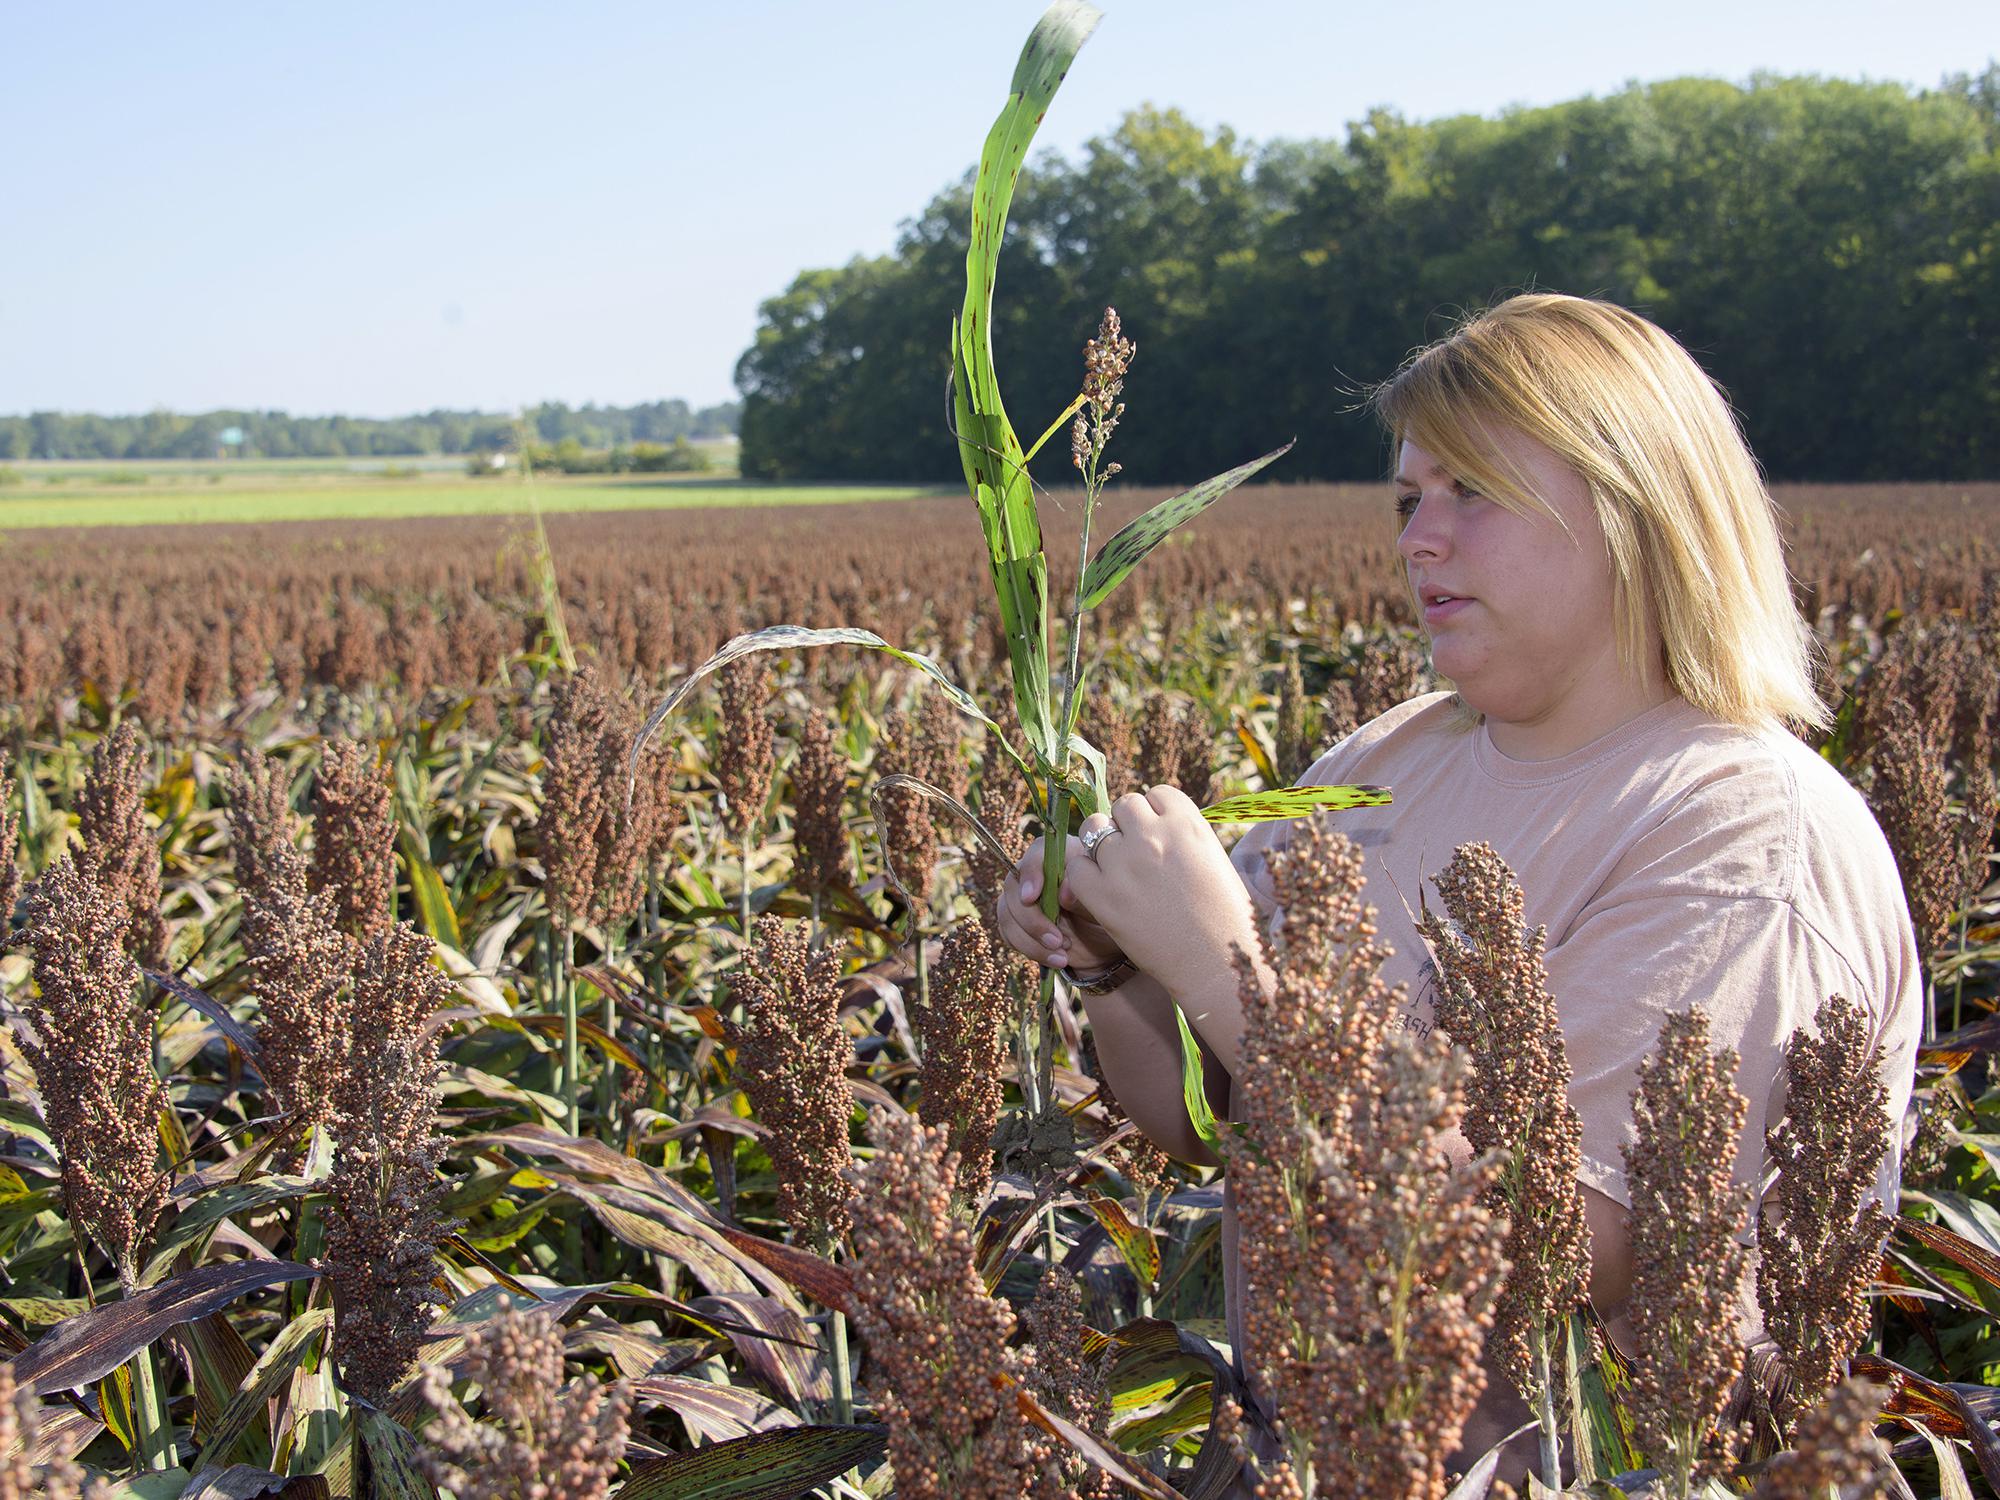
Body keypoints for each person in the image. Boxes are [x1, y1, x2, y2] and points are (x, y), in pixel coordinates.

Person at [994, 292, 1923, 1480]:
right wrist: (1116, 955)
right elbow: (1192, 1122)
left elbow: (1567, 1247)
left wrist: (1231, 968)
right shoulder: (1383, 762)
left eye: (1468, 491)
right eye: (1406, 499)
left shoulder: (1741, 833)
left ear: (1634, 501)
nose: (1415, 537)